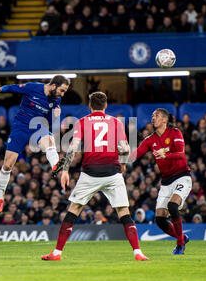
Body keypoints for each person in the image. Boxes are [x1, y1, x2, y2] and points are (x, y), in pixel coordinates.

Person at [42, 92, 148, 261]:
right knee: (123, 212)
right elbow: (126, 149)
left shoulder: (82, 122)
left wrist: (66, 170)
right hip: (112, 172)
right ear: (106, 106)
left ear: (90, 106)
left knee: (74, 210)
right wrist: (122, 163)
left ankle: (57, 253)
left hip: (90, 173)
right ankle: (138, 252)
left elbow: (73, 147)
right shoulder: (115, 122)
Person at [0, 75, 69, 213]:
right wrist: (1, 89)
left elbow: (50, 123)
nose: (62, 94)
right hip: (21, 126)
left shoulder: (56, 100)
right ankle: (0, 197)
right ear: (53, 86)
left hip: (38, 126)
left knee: (49, 140)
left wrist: (55, 116)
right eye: (61, 90)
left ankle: (55, 165)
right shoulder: (33, 87)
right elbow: (14, 88)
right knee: (8, 165)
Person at [130, 108, 191, 255]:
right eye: (152, 116)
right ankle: (182, 237)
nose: (153, 118)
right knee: (160, 220)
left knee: (172, 206)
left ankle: (180, 245)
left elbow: (181, 154)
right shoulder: (150, 139)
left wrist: (166, 156)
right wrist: (123, 156)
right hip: (166, 182)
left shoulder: (175, 133)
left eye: (156, 115)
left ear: (164, 119)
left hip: (182, 176)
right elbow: (137, 153)